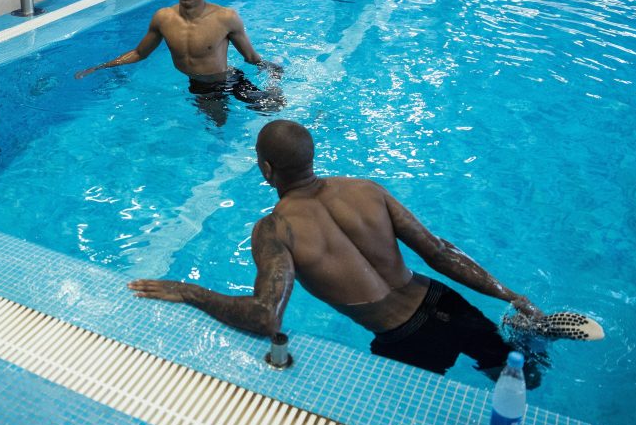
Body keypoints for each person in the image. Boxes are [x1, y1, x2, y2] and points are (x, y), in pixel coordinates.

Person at [129, 119, 544, 382]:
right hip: (444, 302)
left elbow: (264, 317)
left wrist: (189, 292)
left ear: (266, 170)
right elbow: (439, 252)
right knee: (520, 381)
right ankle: (532, 335)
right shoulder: (367, 190)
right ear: (313, 158)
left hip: (403, 337)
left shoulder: (276, 229)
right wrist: (509, 295)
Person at [75, 0, 283, 123]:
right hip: (200, 85)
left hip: (227, 78)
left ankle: (274, 94)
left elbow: (249, 56)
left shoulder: (225, 18)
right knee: (218, 124)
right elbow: (140, 53)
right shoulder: (164, 18)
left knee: (273, 107)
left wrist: (271, 69)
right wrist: (101, 67)